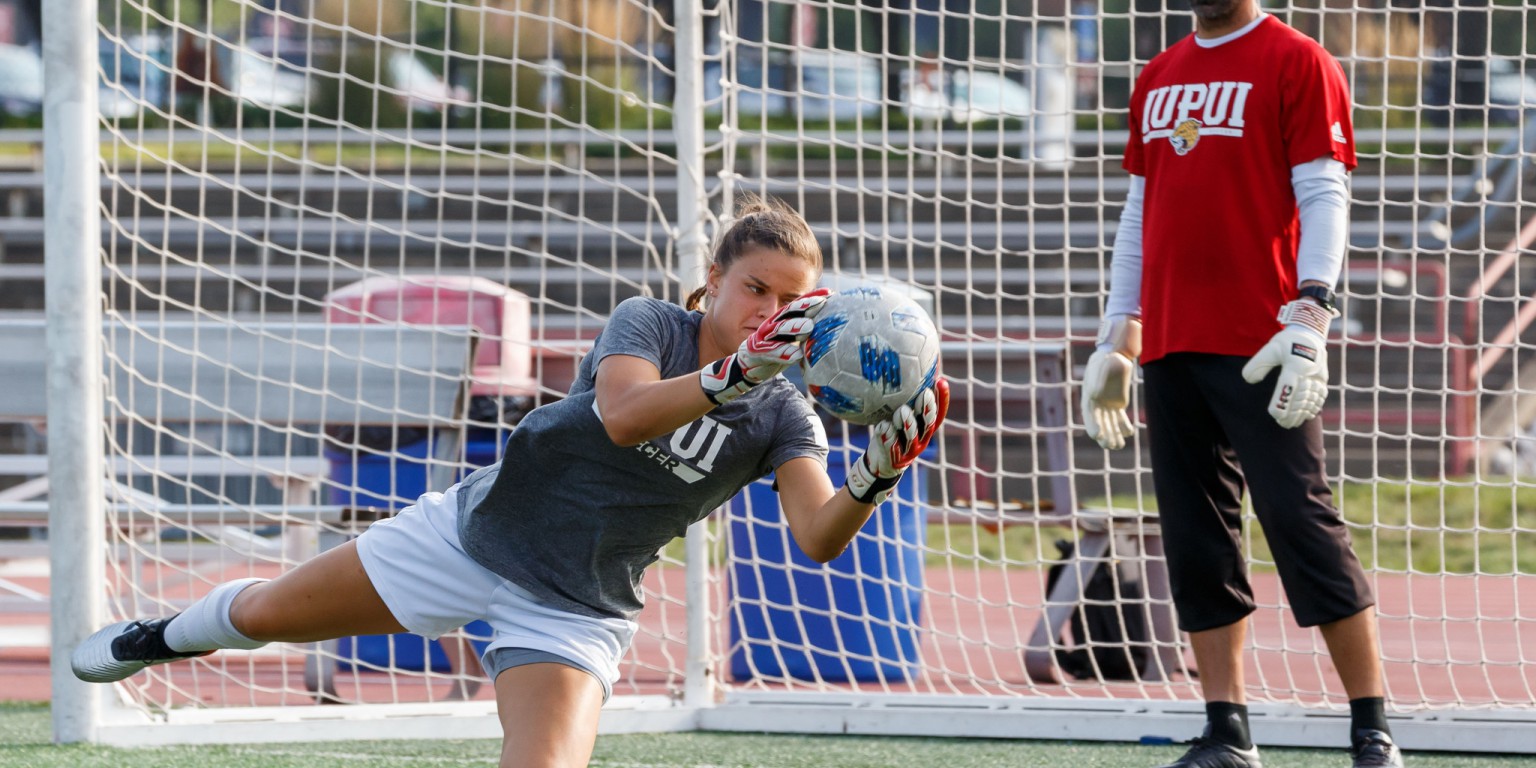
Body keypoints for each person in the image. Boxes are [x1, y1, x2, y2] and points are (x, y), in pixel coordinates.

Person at [71, 197, 949, 768]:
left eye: (787, 303)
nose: (766, 312)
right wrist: (732, 377)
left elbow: (818, 537)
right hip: (469, 534)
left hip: (573, 603)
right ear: (716, 276)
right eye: (754, 287)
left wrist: (877, 471)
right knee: (261, 618)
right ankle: (162, 636)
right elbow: (623, 415)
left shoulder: (788, 415)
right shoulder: (650, 322)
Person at [1080, 2, 1402, 767]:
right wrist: (1117, 334)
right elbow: (1140, 212)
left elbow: (1325, 193)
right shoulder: (1157, 74)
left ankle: (1373, 727)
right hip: (1170, 343)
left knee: (1301, 521)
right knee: (1197, 540)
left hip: (1264, 340)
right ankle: (1227, 730)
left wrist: (1312, 314)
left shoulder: (1298, 60)